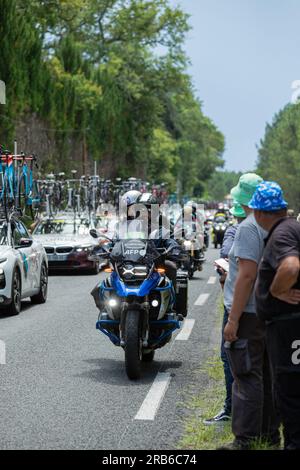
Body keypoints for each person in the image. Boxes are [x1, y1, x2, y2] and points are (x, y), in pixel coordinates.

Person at [220, 173, 280, 450]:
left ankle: (244, 440)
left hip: (249, 314)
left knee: (246, 376)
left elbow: (246, 276)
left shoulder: (248, 228)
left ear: (245, 202)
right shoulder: (277, 227)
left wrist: (233, 319)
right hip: (270, 311)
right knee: (267, 375)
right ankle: (269, 434)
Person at [249, 181, 300, 450]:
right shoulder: (292, 228)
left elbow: (291, 265)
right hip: (289, 328)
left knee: (290, 396)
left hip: (288, 331)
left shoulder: (281, 235)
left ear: (260, 213)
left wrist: (277, 290)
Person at [204, 201, 246, 425]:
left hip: (238, 305)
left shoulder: (236, 230)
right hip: (263, 304)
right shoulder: (271, 229)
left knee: (228, 355)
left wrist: (233, 318)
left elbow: (226, 255)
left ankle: (233, 409)